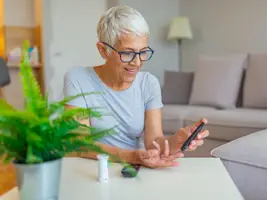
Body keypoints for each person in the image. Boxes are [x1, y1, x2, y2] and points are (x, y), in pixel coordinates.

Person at [62, 5, 209, 168]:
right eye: (127, 53)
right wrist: (131, 156)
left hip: (131, 171)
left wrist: (175, 141)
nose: (137, 62)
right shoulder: (78, 79)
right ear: (103, 50)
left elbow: (154, 142)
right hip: (90, 169)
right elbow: (79, 144)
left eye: (143, 52)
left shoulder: (148, 83)